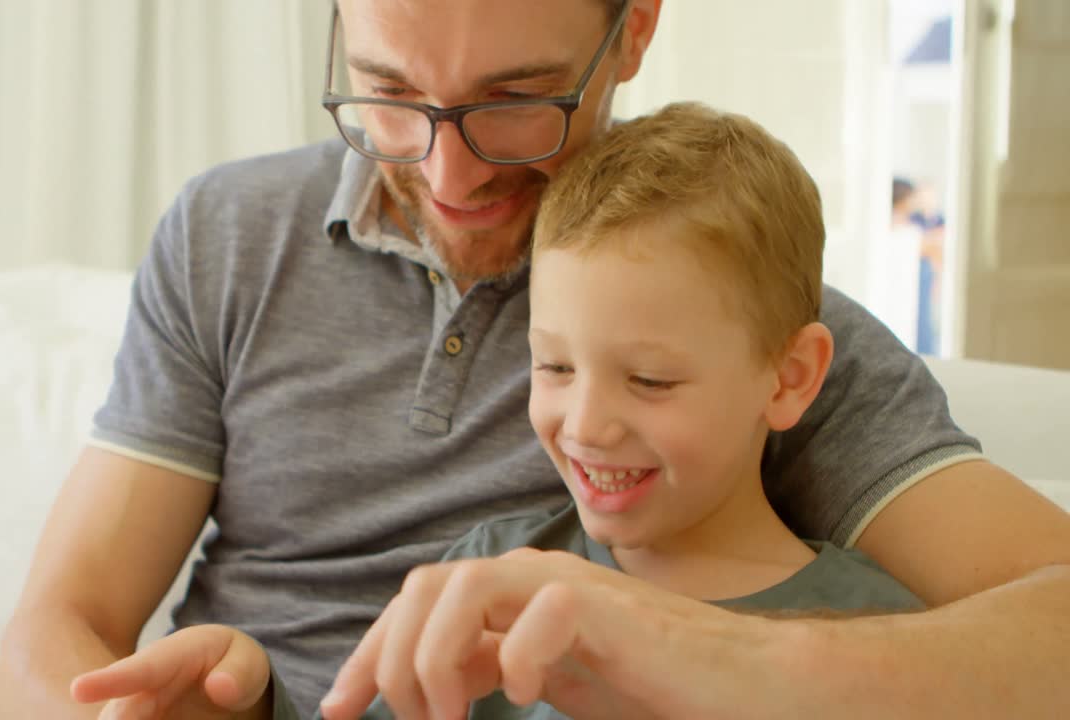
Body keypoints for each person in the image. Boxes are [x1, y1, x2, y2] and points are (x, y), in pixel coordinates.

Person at [0, 1, 1070, 718]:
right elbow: (57, 623)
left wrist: (686, 648)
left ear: (633, 28)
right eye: (389, 91)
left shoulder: (734, 327)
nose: (448, 171)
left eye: (517, 100)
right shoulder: (225, 234)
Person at [71, 101, 928, 720]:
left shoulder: (885, 633)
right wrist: (252, 702)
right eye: (553, 365)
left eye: (651, 382)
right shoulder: (488, 576)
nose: (586, 424)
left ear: (788, 379)